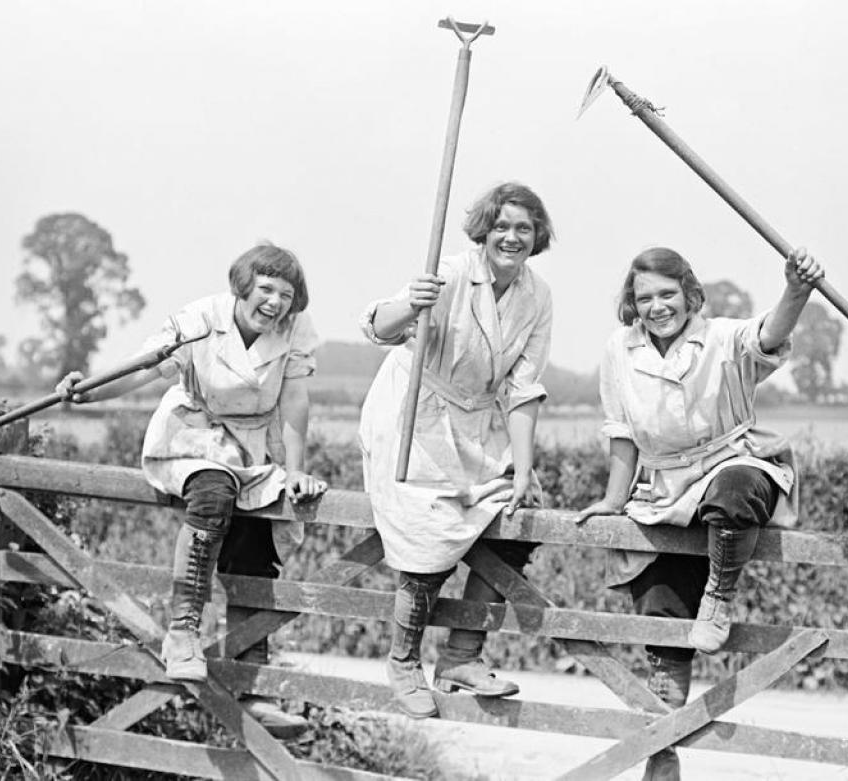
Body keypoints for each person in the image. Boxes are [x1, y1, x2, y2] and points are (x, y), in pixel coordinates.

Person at [55, 242, 327, 738]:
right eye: (265, 289)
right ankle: (182, 633)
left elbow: (295, 401)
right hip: (194, 436)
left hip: (253, 445)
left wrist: (296, 470)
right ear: (242, 286)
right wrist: (88, 391)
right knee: (214, 495)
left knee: (257, 541)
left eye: (285, 294)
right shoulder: (200, 319)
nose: (275, 302)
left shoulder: (295, 330)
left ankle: (255, 686)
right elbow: (142, 366)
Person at [575, 246, 823, 780]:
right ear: (631, 304)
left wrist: (796, 290)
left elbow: (770, 335)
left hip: (732, 461)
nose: (658, 306)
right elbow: (620, 431)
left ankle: (720, 594)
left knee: (733, 492)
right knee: (662, 615)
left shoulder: (722, 337)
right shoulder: (620, 350)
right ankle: (662, 755)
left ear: (691, 294)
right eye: (645, 298)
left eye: (668, 294)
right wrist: (615, 501)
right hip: (664, 484)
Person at [358, 182, 554, 719]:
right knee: (427, 535)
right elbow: (378, 327)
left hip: (477, 426)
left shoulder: (538, 296)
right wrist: (409, 305)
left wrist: (522, 467)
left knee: (516, 520)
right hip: (413, 418)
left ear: (538, 236)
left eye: (524, 228)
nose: (511, 237)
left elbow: (523, 387)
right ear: (484, 231)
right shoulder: (446, 271)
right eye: (502, 227)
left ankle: (461, 655)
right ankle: (403, 662)